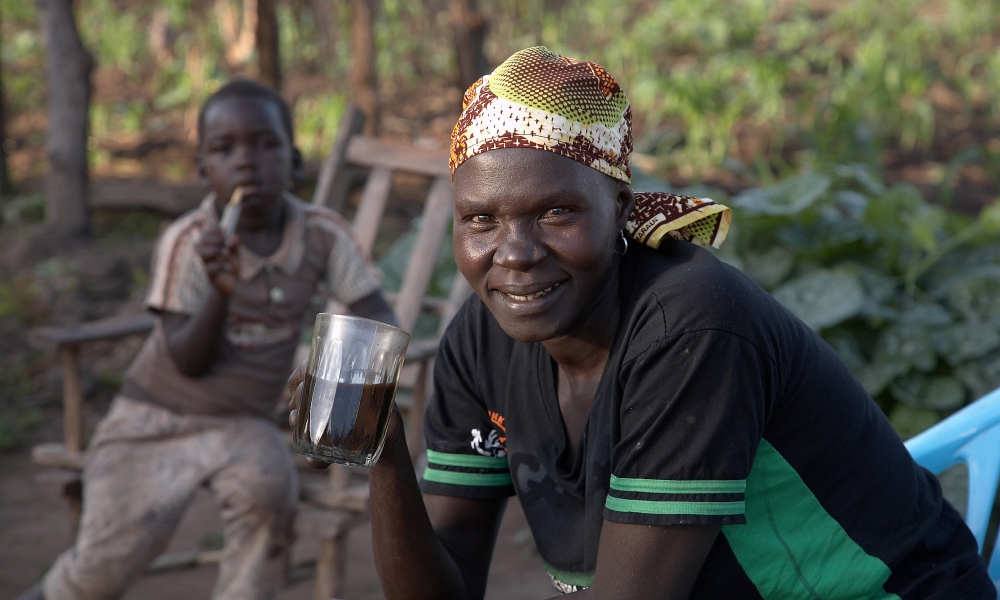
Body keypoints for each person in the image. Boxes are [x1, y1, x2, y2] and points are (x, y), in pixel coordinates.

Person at [288, 47, 994, 599]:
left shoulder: (690, 325)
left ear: (622, 210)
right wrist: (383, 459)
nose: (516, 254)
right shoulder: (483, 337)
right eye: (481, 220)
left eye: (555, 212)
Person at [21, 79, 396, 600]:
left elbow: (374, 312)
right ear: (202, 169)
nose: (247, 163)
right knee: (100, 570)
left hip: (245, 423)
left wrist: (340, 394)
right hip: (153, 419)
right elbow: (186, 359)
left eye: (266, 145)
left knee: (270, 499)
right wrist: (222, 290)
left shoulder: (322, 234)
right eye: (224, 150)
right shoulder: (190, 240)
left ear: (294, 161)